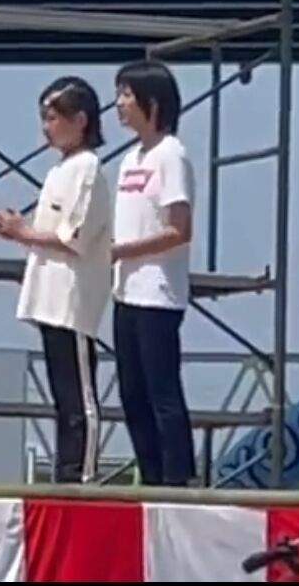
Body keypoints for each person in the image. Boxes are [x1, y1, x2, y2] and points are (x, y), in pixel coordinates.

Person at [0, 75, 112, 484]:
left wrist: (21, 232)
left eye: (53, 117)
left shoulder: (88, 168)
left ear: (80, 120)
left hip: (72, 297)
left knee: (78, 392)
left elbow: (73, 236)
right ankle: (66, 469)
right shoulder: (61, 169)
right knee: (62, 391)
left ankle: (82, 472)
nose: (46, 127)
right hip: (50, 295)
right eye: (44, 118)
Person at [111, 57, 196, 487]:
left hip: (158, 292)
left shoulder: (171, 154)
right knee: (132, 392)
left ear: (153, 103)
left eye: (127, 95)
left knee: (162, 391)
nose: (119, 104)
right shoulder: (130, 159)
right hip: (125, 290)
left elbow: (179, 229)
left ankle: (178, 481)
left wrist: (122, 250)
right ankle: (151, 476)